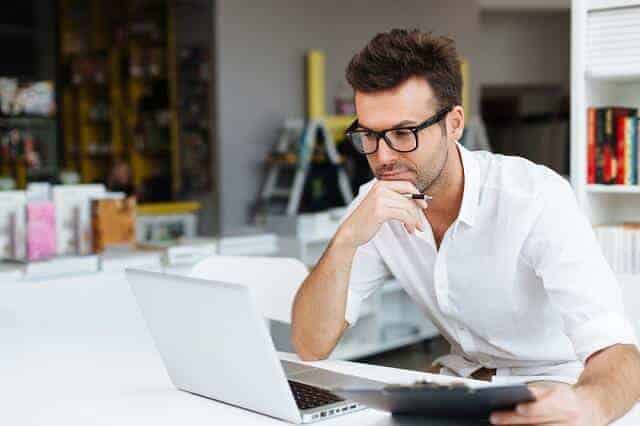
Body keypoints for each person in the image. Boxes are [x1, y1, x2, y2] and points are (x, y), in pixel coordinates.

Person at [290, 29, 640, 425]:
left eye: (404, 133)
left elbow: (619, 353)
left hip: (556, 390)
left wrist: (589, 406)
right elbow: (310, 344)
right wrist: (346, 240)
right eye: (369, 136)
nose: (383, 156)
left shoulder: (536, 198)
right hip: (461, 387)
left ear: (454, 123)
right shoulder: (374, 205)